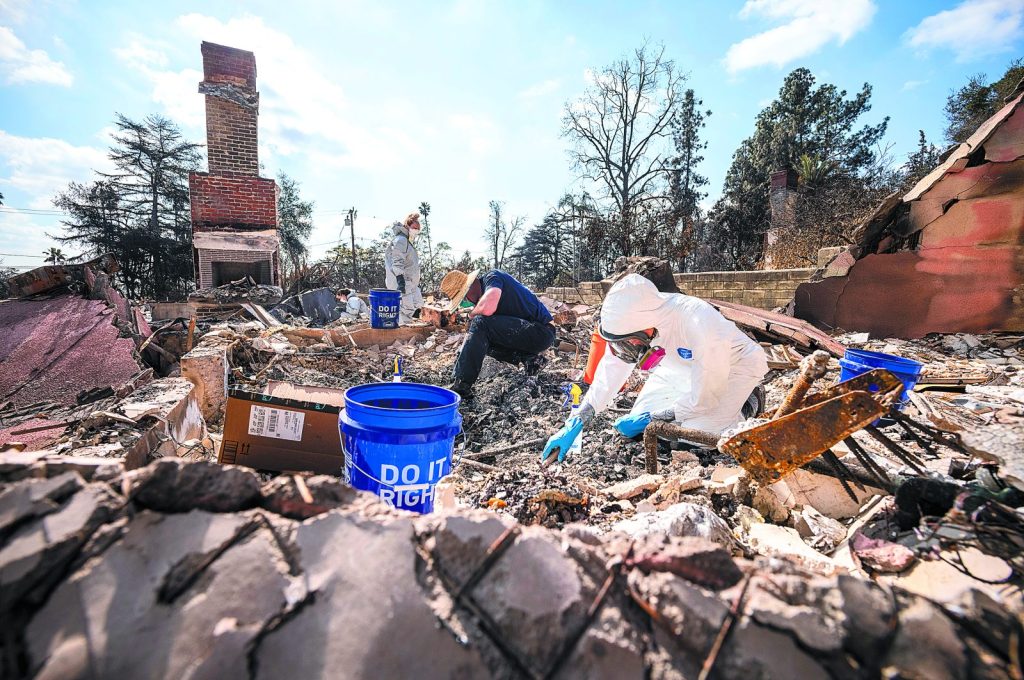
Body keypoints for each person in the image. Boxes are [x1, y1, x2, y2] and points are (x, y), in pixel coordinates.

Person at [543, 274, 769, 462]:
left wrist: (651, 417)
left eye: (628, 342)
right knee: (647, 426)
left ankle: (749, 402)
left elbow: (706, 394)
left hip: (732, 369)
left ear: (647, 327)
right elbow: (611, 369)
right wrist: (579, 419)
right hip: (680, 369)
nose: (625, 348)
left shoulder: (698, 321)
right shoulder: (633, 326)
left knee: (695, 436)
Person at [442, 268, 555, 399]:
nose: (465, 303)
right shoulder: (485, 290)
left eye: (463, 299)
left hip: (542, 331)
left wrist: (471, 314)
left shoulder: (492, 277)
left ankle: (461, 385)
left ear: (470, 288)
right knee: (480, 340)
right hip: (529, 333)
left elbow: (488, 308)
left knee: (480, 323)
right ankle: (531, 359)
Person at [384, 212, 423, 325]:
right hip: (402, 281)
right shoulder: (401, 240)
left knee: (418, 304)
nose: (416, 231)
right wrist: (400, 279)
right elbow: (397, 260)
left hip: (410, 282)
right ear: (407, 226)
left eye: (418, 229)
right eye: (414, 228)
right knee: (406, 308)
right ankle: (403, 329)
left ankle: (409, 324)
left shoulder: (406, 241)